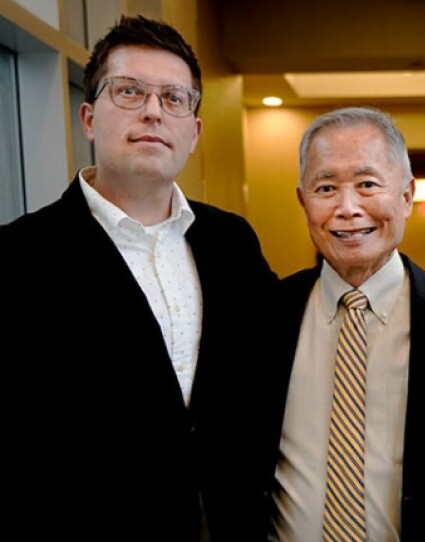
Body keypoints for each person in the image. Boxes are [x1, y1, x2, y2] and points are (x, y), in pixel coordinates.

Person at [0, 15, 277, 542]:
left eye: (174, 98)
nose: (153, 109)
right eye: (129, 91)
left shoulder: (232, 243)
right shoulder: (17, 257)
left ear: (193, 131)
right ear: (88, 117)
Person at [263, 106, 425, 541]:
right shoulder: (262, 315)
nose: (347, 208)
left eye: (367, 185)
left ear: (406, 195)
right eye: (326, 188)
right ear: (303, 201)